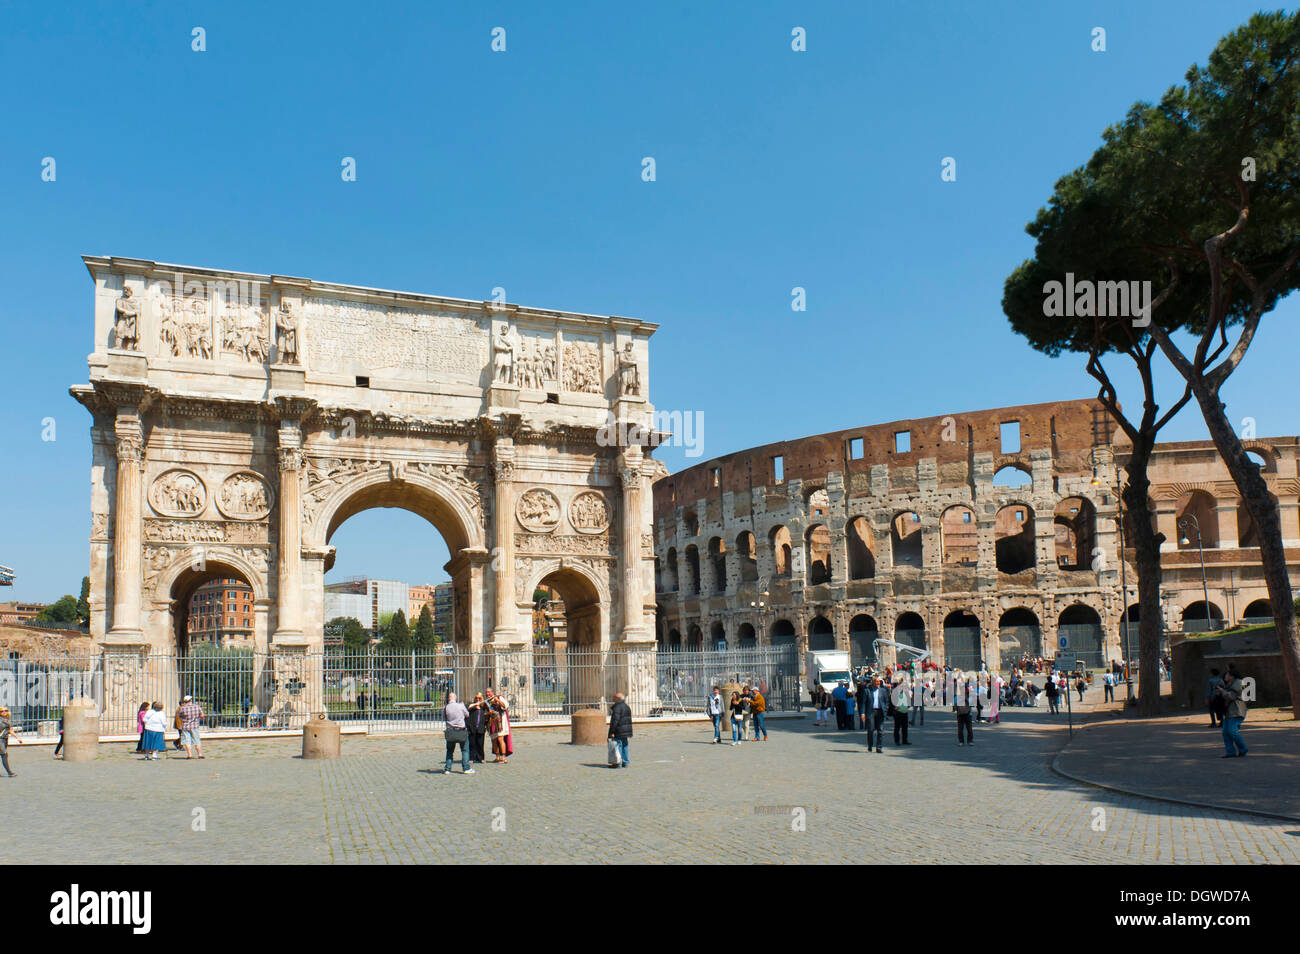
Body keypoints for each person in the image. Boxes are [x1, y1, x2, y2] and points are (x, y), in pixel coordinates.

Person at [1219, 667, 1249, 758]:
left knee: (1232, 731)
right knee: (1226, 732)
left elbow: (1231, 696)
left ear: (1232, 676)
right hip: (1229, 712)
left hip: (1236, 711)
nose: (1225, 676)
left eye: (1227, 675)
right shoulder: (1230, 684)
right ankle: (1230, 751)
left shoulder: (1238, 683)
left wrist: (1222, 691)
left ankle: (1243, 748)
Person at [442, 692, 473, 774]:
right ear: (455, 698)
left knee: (449, 751)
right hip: (461, 730)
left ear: (449, 698)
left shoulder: (446, 707)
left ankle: (447, 769)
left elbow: (444, 717)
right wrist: (462, 707)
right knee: (465, 750)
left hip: (451, 731)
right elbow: (467, 715)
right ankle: (466, 768)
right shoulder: (460, 706)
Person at [486, 691, 512, 764]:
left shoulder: (499, 697)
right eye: (486, 693)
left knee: (500, 739)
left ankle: (503, 757)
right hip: (492, 722)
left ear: (492, 692)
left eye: (489, 692)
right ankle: (497, 757)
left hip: (501, 722)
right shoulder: (487, 701)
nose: (487, 694)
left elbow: (505, 706)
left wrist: (498, 700)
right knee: (494, 740)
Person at [608, 691, 633, 767]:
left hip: (618, 730)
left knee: (618, 746)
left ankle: (618, 762)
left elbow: (615, 720)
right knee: (625, 746)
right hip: (626, 730)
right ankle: (625, 762)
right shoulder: (627, 706)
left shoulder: (617, 707)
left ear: (618, 699)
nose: (613, 699)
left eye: (614, 697)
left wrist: (611, 732)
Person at [177, 694, 205, 759]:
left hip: (185, 726)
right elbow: (202, 715)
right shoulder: (197, 706)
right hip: (194, 725)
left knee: (187, 741)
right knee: (196, 740)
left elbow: (179, 716)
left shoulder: (182, 708)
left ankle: (189, 754)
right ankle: (199, 754)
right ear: (191, 700)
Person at [866, 677, 889, 753]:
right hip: (871, 712)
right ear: (873, 683)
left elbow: (886, 701)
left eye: (879, 682)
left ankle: (879, 747)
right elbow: (863, 703)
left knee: (880, 731)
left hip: (880, 712)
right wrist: (863, 713)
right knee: (870, 730)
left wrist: (885, 709)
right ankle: (870, 745)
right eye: (876, 682)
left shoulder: (883, 691)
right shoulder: (868, 691)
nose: (877, 683)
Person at [466, 693, 489, 763]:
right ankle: (471, 758)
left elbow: (489, 710)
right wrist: (476, 704)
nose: (478, 700)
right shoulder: (472, 706)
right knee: (472, 743)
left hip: (481, 727)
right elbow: (468, 707)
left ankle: (481, 757)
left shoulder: (483, 707)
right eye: (476, 698)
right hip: (472, 727)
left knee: (480, 743)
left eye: (479, 698)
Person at [0, 707, 20, 777]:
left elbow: (9, 730)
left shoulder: (6, 720)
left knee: (2, 754)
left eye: (6, 710)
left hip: (5, 739)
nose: (4, 712)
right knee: (4, 755)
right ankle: (10, 773)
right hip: (0, 739)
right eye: (2, 711)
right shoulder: (1, 720)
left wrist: (17, 738)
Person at [891, 679, 910, 746]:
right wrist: (894, 707)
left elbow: (908, 700)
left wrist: (908, 706)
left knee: (905, 727)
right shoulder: (895, 692)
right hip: (897, 711)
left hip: (904, 711)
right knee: (897, 727)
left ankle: (905, 740)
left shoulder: (906, 692)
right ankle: (897, 740)